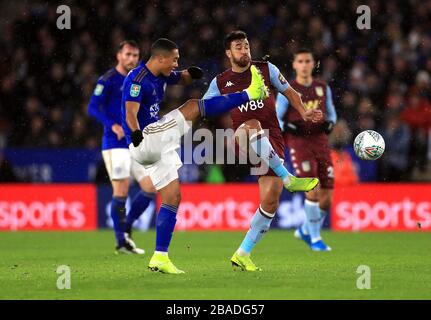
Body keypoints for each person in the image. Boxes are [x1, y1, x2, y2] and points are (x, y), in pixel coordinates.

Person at [122, 38, 271, 274]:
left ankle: (160, 257)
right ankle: (250, 93)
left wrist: (190, 74)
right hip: (145, 138)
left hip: (156, 145)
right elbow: (130, 112)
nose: (176, 63)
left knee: (172, 197)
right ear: (160, 58)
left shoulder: (161, 73)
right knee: (193, 106)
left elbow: (179, 77)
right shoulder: (136, 79)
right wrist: (134, 132)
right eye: (174, 59)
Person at [203, 31, 322, 271]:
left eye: (246, 45)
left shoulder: (266, 69)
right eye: (238, 47)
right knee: (252, 125)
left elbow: (290, 91)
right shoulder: (220, 81)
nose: (244, 50)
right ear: (229, 53)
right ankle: (289, 178)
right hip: (243, 136)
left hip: (272, 139)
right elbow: (205, 106)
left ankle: (243, 253)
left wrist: (304, 111)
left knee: (270, 200)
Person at [88, 40, 201, 254]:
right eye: (127, 55)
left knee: (150, 188)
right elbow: (94, 107)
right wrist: (112, 125)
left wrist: (191, 74)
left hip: (146, 141)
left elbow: (179, 76)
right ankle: (121, 240)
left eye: (135, 55)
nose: (131, 59)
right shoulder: (110, 80)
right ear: (119, 56)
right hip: (116, 143)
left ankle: (127, 225)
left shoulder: (156, 74)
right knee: (120, 189)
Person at [276, 48, 337, 251]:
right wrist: (288, 126)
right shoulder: (288, 89)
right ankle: (315, 239)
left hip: (320, 142)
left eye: (307, 61)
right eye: (300, 61)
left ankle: (304, 230)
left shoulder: (322, 87)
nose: (304, 64)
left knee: (327, 199)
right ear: (294, 65)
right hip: (299, 143)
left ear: (313, 64)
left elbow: (332, 113)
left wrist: (330, 123)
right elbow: (277, 117)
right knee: (313, 188)